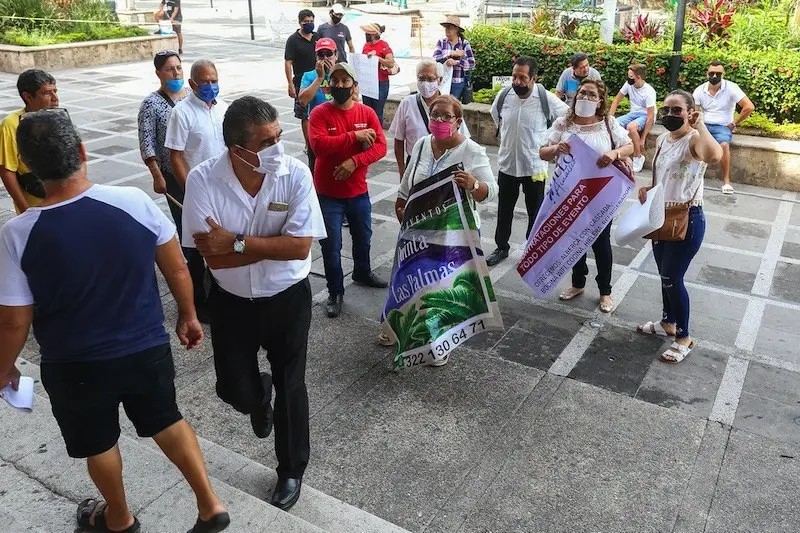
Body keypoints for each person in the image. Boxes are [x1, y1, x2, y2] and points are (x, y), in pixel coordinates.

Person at [0, 111, 230, 533]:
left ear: (28, 167)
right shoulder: (134, 201)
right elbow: (177, 266)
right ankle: (209, 504)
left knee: (99, 441)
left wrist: (4, 368)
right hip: (145, 347)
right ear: (83, 152)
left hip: (74, 364)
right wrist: (189, 315)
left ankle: (119, 519)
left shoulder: (18, 233)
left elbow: (15, 321)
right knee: (167, 419)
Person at [182, 96, 326, 511]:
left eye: (279, 135)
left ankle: (291, 470)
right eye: (267, 142)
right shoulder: (203, 180)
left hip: (288, 299)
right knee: (234, 389)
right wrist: (268, 246)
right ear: (237, 149)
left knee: (292, 385)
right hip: (231, 302)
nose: (278, 147)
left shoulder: (295, 175)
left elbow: (300, 248)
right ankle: (257, 399)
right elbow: (211, 255)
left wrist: (238, 242)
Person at [388, 95, 499, 357]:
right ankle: (403, 329)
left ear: (458, 121)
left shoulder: (472, 151)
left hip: (454, 233)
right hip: (420, 228)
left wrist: (473, 184)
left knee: (441, 290)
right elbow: (409, 179)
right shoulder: (424, 144)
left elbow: (491, 192)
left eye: (445, 116)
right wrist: (401, 201)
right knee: (414, 280)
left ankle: (439, 343)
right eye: (434, 115)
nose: (438, 120)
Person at [635, 90, 722, 363]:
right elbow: (664, 175)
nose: (670, 115)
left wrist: (702, 126)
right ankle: (667, 322)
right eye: (667, 110)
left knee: (673, 277)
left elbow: (714, 156)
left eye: (677, 110)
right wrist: (650, 188)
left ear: (690, 112)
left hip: (687, 218)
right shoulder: (662, 138)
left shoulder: (693, 139)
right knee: (664, 274)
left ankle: (684, 337)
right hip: (662, 214)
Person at [540, 78, 634, 313]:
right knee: (574, 239)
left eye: (591, 94)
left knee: (601, 243)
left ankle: (605, 292)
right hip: (569, 194)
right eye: (582, 93)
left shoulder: (608, 123)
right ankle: (577, 283)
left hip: (600, 195)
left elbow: (630, 146)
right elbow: (542, 152)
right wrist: (556, 149)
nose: (585, 97)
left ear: (600, 100)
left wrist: (614, 153)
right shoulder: (564, 123)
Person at [308, 63, 388, 318]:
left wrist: (355, 161)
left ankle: (362, 272)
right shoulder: (320, 113)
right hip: (328, 193)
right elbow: (319, 146)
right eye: (336, 81)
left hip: (358, 190)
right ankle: (335, 291)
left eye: (346, 81)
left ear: (355, 86)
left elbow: (380, 147)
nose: (340, 85)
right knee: (331, 245)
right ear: (329, 85)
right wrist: (354, 137)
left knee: (363, 236)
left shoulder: (367, 113)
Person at [139, 50, 210, 324]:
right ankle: (198, 299)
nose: (176, 73)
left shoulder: (190, 100)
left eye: (179, 68)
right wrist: (157, 174)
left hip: (199, 175)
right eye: (170, 69)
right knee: (190, 234)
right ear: (158, 73)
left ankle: (212, 283)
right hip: (174, 178)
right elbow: (147, 143)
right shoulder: (151, 104)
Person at [486, 56, 568, 267]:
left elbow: (567, 117)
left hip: (534, 166)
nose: (517, 82)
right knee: (504, 209)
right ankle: (501, 247)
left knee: (535, 211)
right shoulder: (504, 95)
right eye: (514, 76)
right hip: (507, 164)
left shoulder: (545, 98)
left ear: (534, 78)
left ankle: (532, 250)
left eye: (522, 77)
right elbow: (496, 116)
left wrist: (551, 141)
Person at [388, 59, 471, 178]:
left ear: (440, 80)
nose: (425, 83)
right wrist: (402, 169)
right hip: (415, 165)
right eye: (421, 78)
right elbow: (399, 139)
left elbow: (464, 140)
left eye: (431, 79)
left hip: (444, 165)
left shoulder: (450, 105)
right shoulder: (407, 103)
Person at [0, 69, 59, 214]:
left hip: (63, 201)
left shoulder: (59, 117)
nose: (55, 98)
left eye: (55, 91)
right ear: (27, 96)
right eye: (46, 93)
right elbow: (7, 171)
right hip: (37, 206)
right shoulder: (11, 125)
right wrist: (26, 210)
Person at [692, 60, 754, 194]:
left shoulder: (731, 88)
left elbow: (749, 107)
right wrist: (696, 127)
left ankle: (726, 181)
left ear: (723, 74)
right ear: (706, 74)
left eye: (718, 73)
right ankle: (693, 177)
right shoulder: (699, 91)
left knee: (724, 145)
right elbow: (695, 112)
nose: (714, 76)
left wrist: (734, 123)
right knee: (692, 142)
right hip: (704, 124)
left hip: (722, 126)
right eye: (712, 73)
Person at [298, 37, 338, 174]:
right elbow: (303, 100)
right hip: (317, 132)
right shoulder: (309, 76)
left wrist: (334, 75)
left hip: (338, 129)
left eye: (329, 53)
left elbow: (354, 98)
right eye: (321, 54)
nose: (325, 57)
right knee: (316, 170)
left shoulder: (343, 73)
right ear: (316, 57)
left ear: (336, 55)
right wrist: (319, 78)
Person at [284, 9, 319, 161]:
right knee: (305, 115)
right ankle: (308, 143)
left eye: (311, 21)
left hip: (318, 79)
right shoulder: (293, 40)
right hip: (301, 82)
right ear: (300, 22)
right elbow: (287, 62)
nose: (309, 24)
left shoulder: (317, 37)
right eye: (306, 21)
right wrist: (290, 84)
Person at [609, 63, 656, 173]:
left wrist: (643, 138)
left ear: (638, 77)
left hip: (645, 115)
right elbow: (616, 100)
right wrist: (610, 118)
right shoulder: (628, 84)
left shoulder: (649, 92)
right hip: (633, 113)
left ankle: (638, 156)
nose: (628, 79)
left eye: (631, 77)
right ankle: (621, 153)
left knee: (631, 127)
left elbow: (650, 116)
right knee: (614, 123)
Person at [432, 15, 476, 101]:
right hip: (442, 81)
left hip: (457, 82)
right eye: (445, 27)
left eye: (450, 27)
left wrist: (456, 62)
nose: (447, 29)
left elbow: (471, 63)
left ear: (456, 29)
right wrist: (451, 53)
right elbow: (436, 58)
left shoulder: (464, 44)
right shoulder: (441, 42)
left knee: (453, 106)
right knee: (441, 104)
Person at [360, 22, 395, 125]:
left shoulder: (383, 45)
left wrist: (378, 58)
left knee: (377, 112)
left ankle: (378, 135)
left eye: (367, 33)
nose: (365, 35)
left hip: (380, 82)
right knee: (367, 112)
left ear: (373, 34)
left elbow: (390, 63)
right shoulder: (366, 46)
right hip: (368, 83)